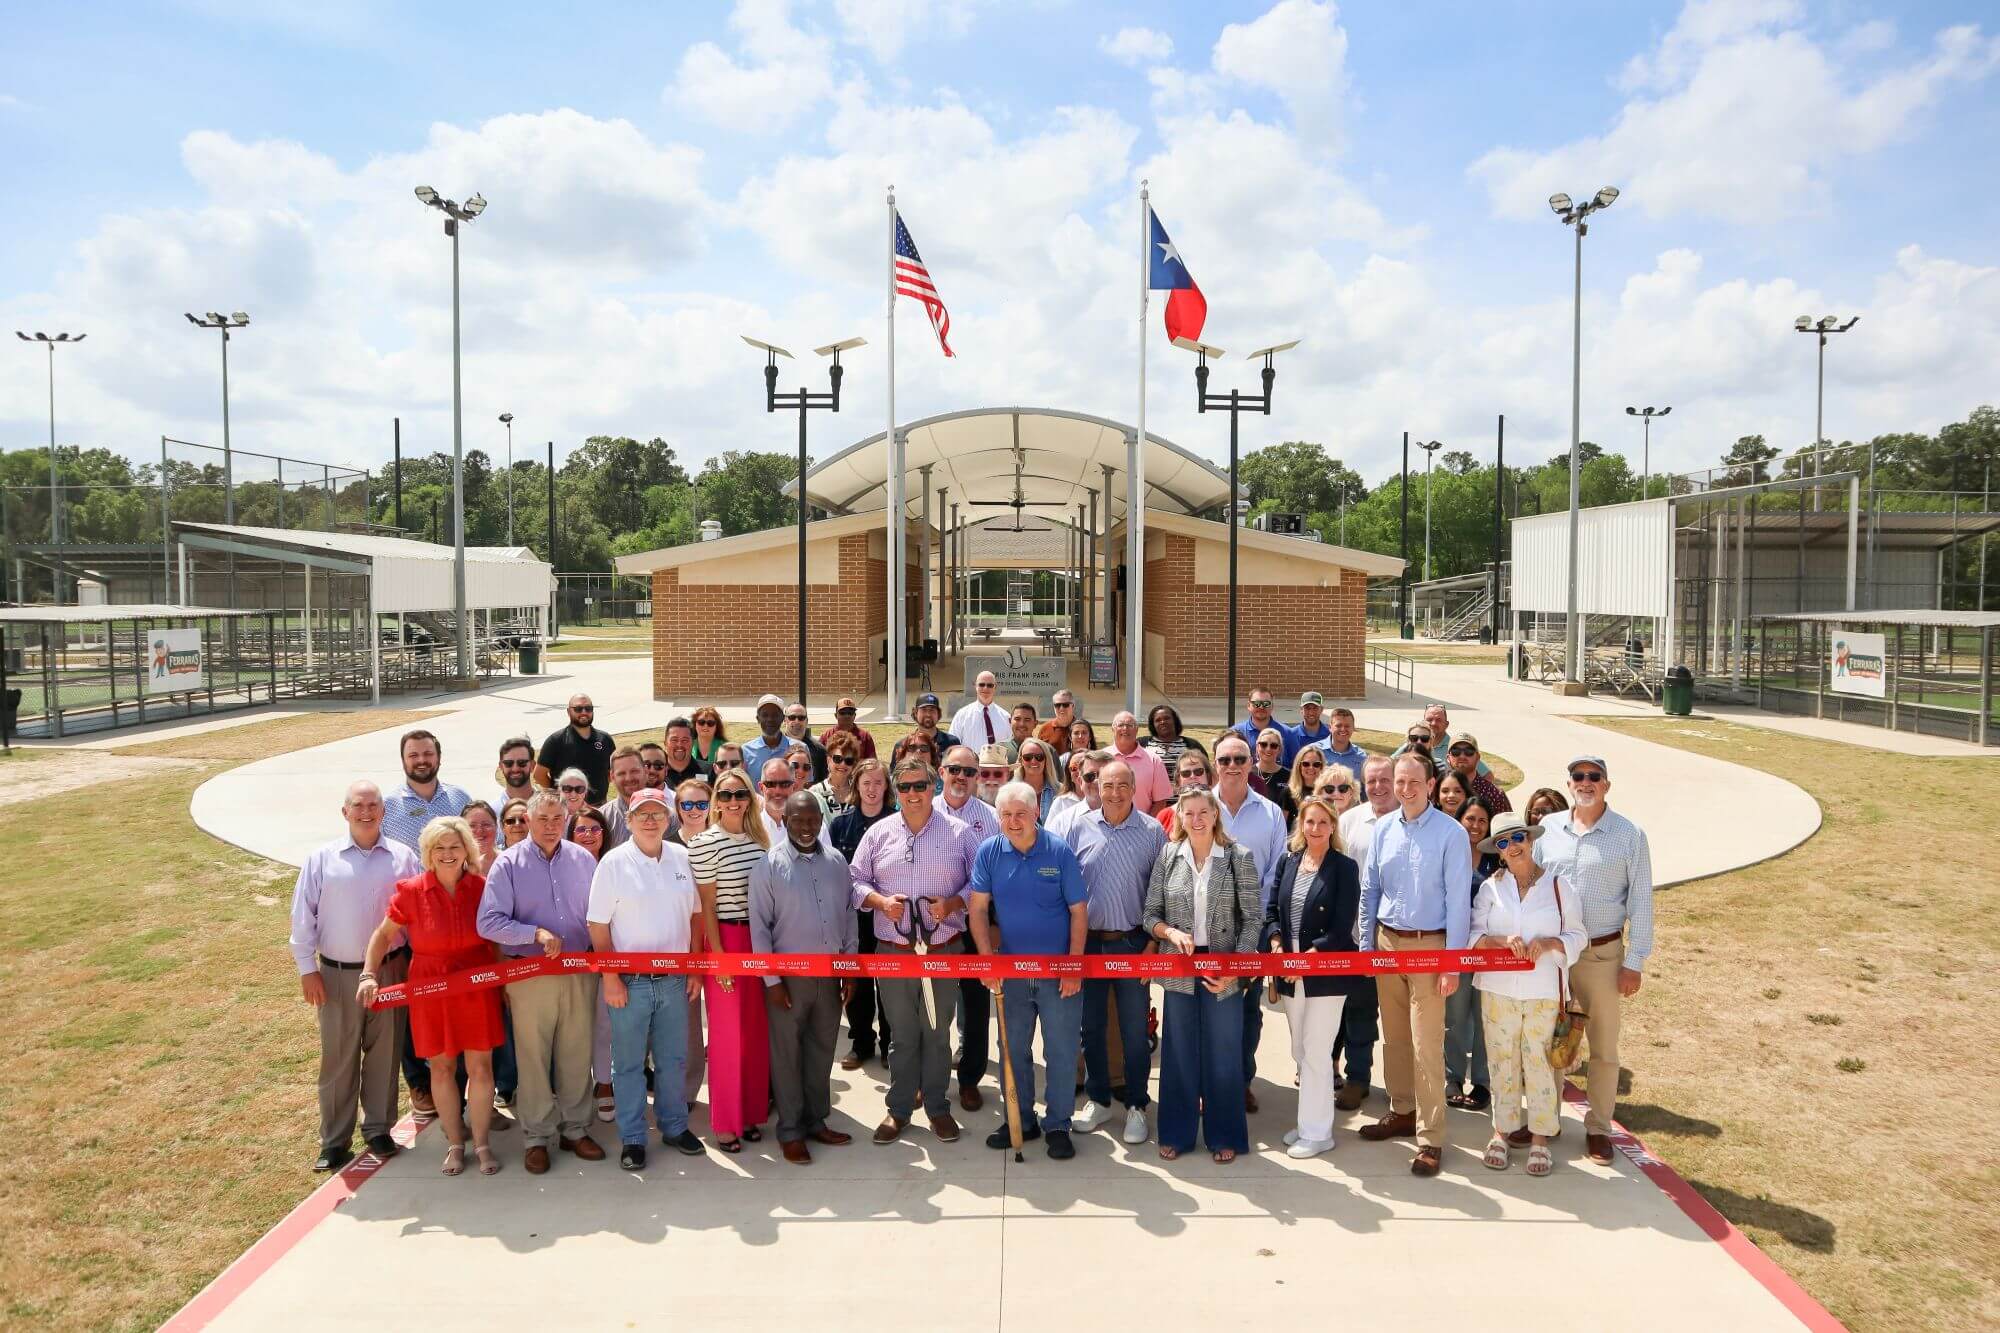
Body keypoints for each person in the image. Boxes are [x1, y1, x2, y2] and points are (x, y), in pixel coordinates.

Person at [357, 816, 505, 1176]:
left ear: (467, 850)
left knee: (481, 1068)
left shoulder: (483, 888)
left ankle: (483, 1143)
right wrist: (368, 975)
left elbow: (497, 941)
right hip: (431, 987)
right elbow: (382, 935)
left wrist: (502, 986)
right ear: (428, 852)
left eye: (454, 846)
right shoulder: (411, 890)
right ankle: (455, 1144)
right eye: (439, 847)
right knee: (441, 1067)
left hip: (476, 983)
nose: (447, 854)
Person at [849, 757, 979, 1145]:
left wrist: (953, 905)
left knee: (937, 1034)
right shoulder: (878, 833)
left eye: (920, 786)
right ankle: (900, 1108)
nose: (912, 794)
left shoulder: (959, 833)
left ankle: (938, 1107)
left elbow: (980, 884)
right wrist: (879, 901)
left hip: (941, 948)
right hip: (893, 949)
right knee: (902, 1036)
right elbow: (854, 880)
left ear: (933, 786)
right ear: (895, 790)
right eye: (904, 787)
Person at [289, 780, 417, 1172]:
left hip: (391, 971)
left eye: (373, 805)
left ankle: (378, 1128)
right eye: (358, 805)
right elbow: (302, 917)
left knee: (385, 1053)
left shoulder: (403, 857)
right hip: (337, 976)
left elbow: (415, 915)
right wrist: (308, 969)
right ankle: (334, 1140)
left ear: (384, 811)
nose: (366, 812)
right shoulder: (322, 859)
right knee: (339, 1058)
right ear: (345, 812)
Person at [1534, 754, 1654, 1166]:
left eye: (1594, 777)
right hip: (1552, 956)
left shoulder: (1629, 835)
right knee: (1551, 1043)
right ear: (1568, 784)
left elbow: (1640, 902)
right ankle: (1544, 1124)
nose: (1585, 782)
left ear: (1606, 784)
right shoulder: (1548, 830)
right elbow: (1530, 885)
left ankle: (1599, 1129)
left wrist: (1635, 960)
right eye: (1577, 776)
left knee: (1603, 1049)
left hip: (1601, 955)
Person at [476, 790, 604, 1173]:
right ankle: (536, 1136)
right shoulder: (508, 865)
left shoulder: (584, 859)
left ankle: (576, 1129)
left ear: (566, 819)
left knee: (577, 1053)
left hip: (580, 971)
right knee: (532, 1057)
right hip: (530, 974)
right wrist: (535, 933)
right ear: (527, 821)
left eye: (557, 819)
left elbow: (599, 914)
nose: (550, 826)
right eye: (542, 819)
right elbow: (489, 922)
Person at [1358, 754, 1474, 1177]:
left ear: (1430, 785)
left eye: (1413, 782)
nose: (1404, 789)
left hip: (1431, 948)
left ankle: (1431, 1137)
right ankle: (1402, 1110)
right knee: (1395, 1038)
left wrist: (1452, 962)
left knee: (1427, 1045)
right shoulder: (1384, 828)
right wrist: (1367, 943)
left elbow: (1459, 902)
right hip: (1388, 943)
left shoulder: (1451, 834)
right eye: (1398, 781)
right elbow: (1369, 889)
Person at [586, 787, 708, 1171]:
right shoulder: (613, 863)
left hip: (673, 980)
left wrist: (693, 967)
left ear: (669, 817)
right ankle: (634, 1138)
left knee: (673, 1059)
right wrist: (610, 978)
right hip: (630, 983)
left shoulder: (683, 858)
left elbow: (696, 916)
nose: (651, 820)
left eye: (658, 813)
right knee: (628, 1065)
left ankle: (673, 1127)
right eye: (643, 814)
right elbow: (598, 924)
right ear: (629, 819)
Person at [969, 782, 1090, 1160]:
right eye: (1005, 815)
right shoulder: (989, 852)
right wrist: (988, 959)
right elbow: (976, 909)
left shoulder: (1058, 850)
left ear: (1036, 811)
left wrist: (1072, 965)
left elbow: (1078, 911)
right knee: (1012, 1049)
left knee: (1061, 1051)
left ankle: (1058, 1124)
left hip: (1059, 975)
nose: (1013, 821)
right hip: (1012, 976)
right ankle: (1020, 1119)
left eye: (1020, 813)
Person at [1143, 788, 1262, 1163]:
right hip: (1180, 963)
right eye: (1189, 813)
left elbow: (1252, 918)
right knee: (1178, 1051)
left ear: (1215, 816)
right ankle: (1177, 1134)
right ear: (1179, 817)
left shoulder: (1238, 857)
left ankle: (1225, 1134)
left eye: (1203, 812)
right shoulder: (1168, 855)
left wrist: (1236, 971)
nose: (1196, 820)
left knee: (1223, 1052)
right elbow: (1150, 915)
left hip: (1222, 966)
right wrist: (1171, 933)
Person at [1471, 811, 1586, 1177]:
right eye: (1503, 843)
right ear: (1498, 852)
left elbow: (1578, 936)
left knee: (1537, 1063)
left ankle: (1540, 1138)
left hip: (1542, 990)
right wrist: (1498, 942)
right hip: (1497, 988)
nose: (1512, 847)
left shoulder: (1558, 886)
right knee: (1502, 1061)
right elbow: (1473, 937)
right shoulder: (1491, 888)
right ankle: (1502, 1131)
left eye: (1517, 838)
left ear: (1530, 840)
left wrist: (1549, 942)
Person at [750, 793, 859, 1164]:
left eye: (813, 819)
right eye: (798, 820)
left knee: (821, 1050)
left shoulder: (836, 862)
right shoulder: (769, 865)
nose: (807, 826)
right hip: (788, 982)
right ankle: (791, 1130)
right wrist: (772, 981)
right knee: (786, 1055)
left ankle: (816, 1120)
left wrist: (849, 968)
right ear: (785, 818)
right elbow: (760, 930)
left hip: (829, 976)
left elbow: (848, 915)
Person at [1066, 757, 1165, 1144]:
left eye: (1123, 785)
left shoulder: (1153, 831)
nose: (1115, 793)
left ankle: (1137, 1104)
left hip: (1134, 943)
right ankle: (1099, 1099)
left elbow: (1162, 893)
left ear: (1135, 788)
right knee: (1090, 1028)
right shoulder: (1079, 826)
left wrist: (1153, 945)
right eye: (1108, 785)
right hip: (1089, 943)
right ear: (1097, 787)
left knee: (1134, 1030)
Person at [1262, 794, 1362, 1158]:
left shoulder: (1344, 867)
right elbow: (1272, 909)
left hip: (1324, 973)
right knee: (1300, 1050)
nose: (1315, 828)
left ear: (1333, 826)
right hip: (1289, 971)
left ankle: (1319, 1133)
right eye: (1309, 822)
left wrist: (1312, 954)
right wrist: (1275, 942)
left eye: (1322, 822)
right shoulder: (1288, 861)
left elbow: (1342, 924)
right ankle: (1308, 1122)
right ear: (1300, 826)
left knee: (1318, 1052)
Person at [686, 768, 771, 1153]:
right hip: (725, 939)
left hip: (758, 940)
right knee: (725, 1038)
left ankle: (752, 1113)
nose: (732, 801)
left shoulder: (759, 840)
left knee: (754, 1033)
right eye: (725, 795)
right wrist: (717, 957)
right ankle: (726, 1122)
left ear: (750, 798)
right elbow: (705, 906)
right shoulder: (704, 842)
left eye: (739, 794)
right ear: (716, 802)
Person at [1212, 734, 1288, 1112]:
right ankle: (1209, 1082)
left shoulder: (1271, 813)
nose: (1232, 766)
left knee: (1247, 1011)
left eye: (1239, 758)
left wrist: (1253, 919)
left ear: (1250, 763)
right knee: (1206, 1007)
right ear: (1215, 764)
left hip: (1251, 929)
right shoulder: (1198, 808)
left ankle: (1241, 1080)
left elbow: (1276, 871)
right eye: (1224, 759)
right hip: (1206, 930)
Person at [937, 746, 998, 1110]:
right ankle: (931, 1079)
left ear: (978, 776)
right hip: (935, 930)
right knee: (935, 1011)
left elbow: (994, 878)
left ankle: (970, 1080)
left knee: (976, 1011)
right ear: (941, 771)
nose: (961, 777)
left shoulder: (991, 818)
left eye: (969, 772)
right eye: (955, 769)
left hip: (975, 932)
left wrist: (994, 926)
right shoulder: (921, 810)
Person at [1333, 756, 1395, 1111]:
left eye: (1385, 780)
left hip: (1401, 937)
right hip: (1358, 936)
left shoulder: (1413, 820)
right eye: (1371, 781)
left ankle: (1406, 1084)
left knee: (1404, 1019)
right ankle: (1358, 1078)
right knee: (1359, 1013)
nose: (1378, 787)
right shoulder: (1350, 822)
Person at [831, 758, 895, 1071]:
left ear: (887, 786)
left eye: (878, 782)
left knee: (889, 985)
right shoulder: (840, 825)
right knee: (856, 983)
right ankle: (861, 1043)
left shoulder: (898, 822)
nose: (872, 789)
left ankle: (890, 1044)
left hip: (888, 916)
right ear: (856, 785)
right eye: (866, 782)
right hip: (853, 918)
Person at [1446, 797, 1499, 1113]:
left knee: (1484, 1019)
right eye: (1470, 819)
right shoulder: (1450, 855)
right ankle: (1452, 1077)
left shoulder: (1499, 861)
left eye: (1481, 820)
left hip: (1489, 954)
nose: (1476, 826)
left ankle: (1481, 1082)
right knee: (1453, 1016)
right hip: (1455, 950)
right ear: (1460, 821)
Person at [564, 806, 615, 1121]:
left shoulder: (613, 865)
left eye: (594, 829)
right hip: (571, 959)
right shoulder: (563, 868)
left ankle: (605, 1084)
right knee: (574, 1026)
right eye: (581, 829)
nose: (588, 835)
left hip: (608, 955)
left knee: (604, 1023)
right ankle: (574, 1088)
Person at [667, 777, 713, 1106]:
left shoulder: (723, 839)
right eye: (687, 805)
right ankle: (685, 1091)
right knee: (686, 1022)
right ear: (678, 809)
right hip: (684, 943)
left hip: (724, 937)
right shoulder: (667, 847)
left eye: (701, 804)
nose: (694, 810)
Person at [536, 694, 616, 802]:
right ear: (569, 712)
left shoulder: (605, 739)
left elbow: (612, 771)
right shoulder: (556, 741)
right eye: (578, 709)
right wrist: (556, 794)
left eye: (588, 708)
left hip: (599, 807)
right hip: (568, 809)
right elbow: (539, 774)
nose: (584, 712)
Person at [1108, 711, 1173, 815]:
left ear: (1137, 730)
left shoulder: (1154, 760)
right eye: (1120, 725)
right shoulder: (1102, 758)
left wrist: (1146, 827)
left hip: (1141, 827)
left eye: (1130, 725)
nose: (1125, 728)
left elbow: (1160, 801)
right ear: (1113, 729)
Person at [1046, 748, 1105, 841]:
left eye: (1083, 767)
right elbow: (1049, 837)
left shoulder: (1108, 800)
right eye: (1074, 768)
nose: (1078, 771)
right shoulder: (1060, 802)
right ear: (1068, 773)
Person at [1446, 733, 1512, 813]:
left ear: (1478, 757)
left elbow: (1507, 824)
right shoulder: (1437, 790)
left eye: (1469, 751)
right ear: (1448, 758)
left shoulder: (1494, 793)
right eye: (1456, 751)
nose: (1462, 756)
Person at [598, 746, 647, 848]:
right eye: (621, 773)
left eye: (634, 771)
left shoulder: (669, 814)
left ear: (645, 771)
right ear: (612, 777)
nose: (628, 778)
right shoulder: (601, 819)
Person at [1158, 748, 1214, 837]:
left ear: (1208, 776)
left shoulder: (1220, 812)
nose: (1192, 776)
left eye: (1198, 771)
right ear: (1178, 780)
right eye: (1186, 773)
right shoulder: (1164, 817)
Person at [740, 695, 798, 781]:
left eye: (775, 715)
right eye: (765, 715)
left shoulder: (798, 748)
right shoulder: (745, 751)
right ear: (758, 719)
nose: (770, 719)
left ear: (782, 718)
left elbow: (806, 783)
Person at [950, 671, 1011, 750]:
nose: (985, 688)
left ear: (995, 687)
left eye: (990, 685)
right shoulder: (961, 715)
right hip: (970, 762)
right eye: (981, 684)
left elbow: (1010, 746)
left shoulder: (1005, 717)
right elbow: (953, 745)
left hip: (998, 762)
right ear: (975, 686)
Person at [1312, 707, 1370, 783]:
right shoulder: (1314, 751)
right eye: (1338, 725)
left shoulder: (1361, 757)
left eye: (1347, 726)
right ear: (1330, 727)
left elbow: (1364, 788)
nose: (1343, 729)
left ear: (1353, 728)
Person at [811, 730, 860, 819]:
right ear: (828, 760)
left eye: (849, 761)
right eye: (838, 759)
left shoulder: (859, 791)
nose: (843, 764)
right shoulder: (815, 792)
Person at [1011, 736, 1062, 820]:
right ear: (1021, 761)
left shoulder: (1060, 791)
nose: (1033, 761)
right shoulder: (1009, 791)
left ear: (1046, 760)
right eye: (1027, 757)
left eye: (1039, 757)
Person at [1145, 704, 1204, 774]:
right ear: (1153, 724)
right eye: (1158, 720)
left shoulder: (1192, 745)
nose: (1163, 722)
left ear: (1175, 720)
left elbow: (1206, 771)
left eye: (1167, 718)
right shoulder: (1142, 744)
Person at [781, 702, 829, 783]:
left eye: (801, 718)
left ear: (806, 721)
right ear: (785, 720)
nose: (797, 721)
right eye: (792, 717)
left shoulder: (819, 751)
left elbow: (823, 782)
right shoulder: (775, 746)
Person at [820, 696, 878, 760]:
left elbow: (872, 762)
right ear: (836, 715)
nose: (847, 716)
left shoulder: (865, 736)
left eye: (850, 713)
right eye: (842, 713)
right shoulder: (826, 736)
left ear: (855, 716)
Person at [492, 736, 538, 815]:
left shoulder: (549, 807)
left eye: (522, 763)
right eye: (508, 763)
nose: (515, 769)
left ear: (532, 766)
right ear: (501, 766)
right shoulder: (492, 812)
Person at [657, 718, 706, 790]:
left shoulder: (708, 772)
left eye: (685, 740)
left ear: (693, 743)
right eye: (674, 740)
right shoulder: (655, 773)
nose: (679, 744)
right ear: (665, 743)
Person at [909, 691, 963, 757]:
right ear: (915, 713)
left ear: (938, 714)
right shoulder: (905, 745)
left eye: (932, 710)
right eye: (924, 710)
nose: (928, 714)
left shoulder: (952, 743)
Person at [1285, 691, 1332, 765]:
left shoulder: (1330, 735)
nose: (1311, 712)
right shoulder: (1291, 735)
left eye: (1315, 708)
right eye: (1307, 708)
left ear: (1321, 709)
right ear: (1301, 710)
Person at [1285, 746, 1327, 826]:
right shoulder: (1288, 793)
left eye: (1316, 764)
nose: (1311, 768)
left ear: (1321, 767)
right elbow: (1281, 827)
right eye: (1306, 764)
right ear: (1299, 766)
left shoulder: (1328, 792)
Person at [1249, 727, 1290, 805]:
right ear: (1257, 747)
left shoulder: (1290, 776)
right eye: (1263, 744)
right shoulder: (1247, 773)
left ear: (1279, 749)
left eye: (1273, 746)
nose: (1268, 749)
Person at [1229, 688, 1277, 754]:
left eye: (1266, 704)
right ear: (1248, 706)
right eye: (1257, 703)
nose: (1261, 707)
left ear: (1272, 706)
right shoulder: (1235, 733)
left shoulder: (1287, 733)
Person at [463, 801, 500, 874]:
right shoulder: (455, 867)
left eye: (486, 824)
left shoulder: (508, 861)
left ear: (496, 827)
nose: (480, 831)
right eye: (472, 826)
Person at [1035, 691, 1077, 755]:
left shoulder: (1082, 728)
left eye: (1065, 705)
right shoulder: (1045, 728)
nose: (1061, 708)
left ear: (1073, 706)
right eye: (1057, 705)